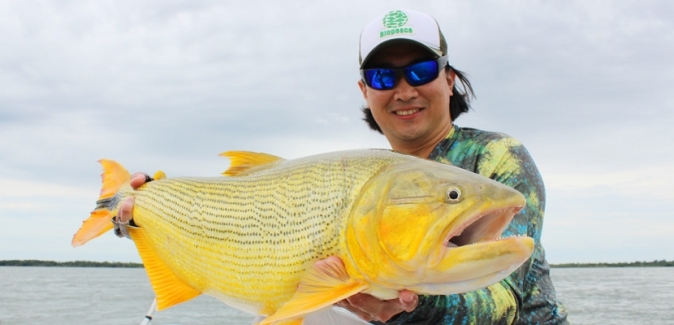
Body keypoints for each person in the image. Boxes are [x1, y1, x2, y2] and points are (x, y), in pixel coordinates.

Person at [116, 9, 569, 324]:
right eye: (383, 77)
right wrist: (143, 215)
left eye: (421, 69)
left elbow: (502, 303)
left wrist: (409, 310)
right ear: (364, 91)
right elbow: (231, 225)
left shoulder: (499, 158)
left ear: (449, 79)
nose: (404, 88)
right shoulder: (357, 175)